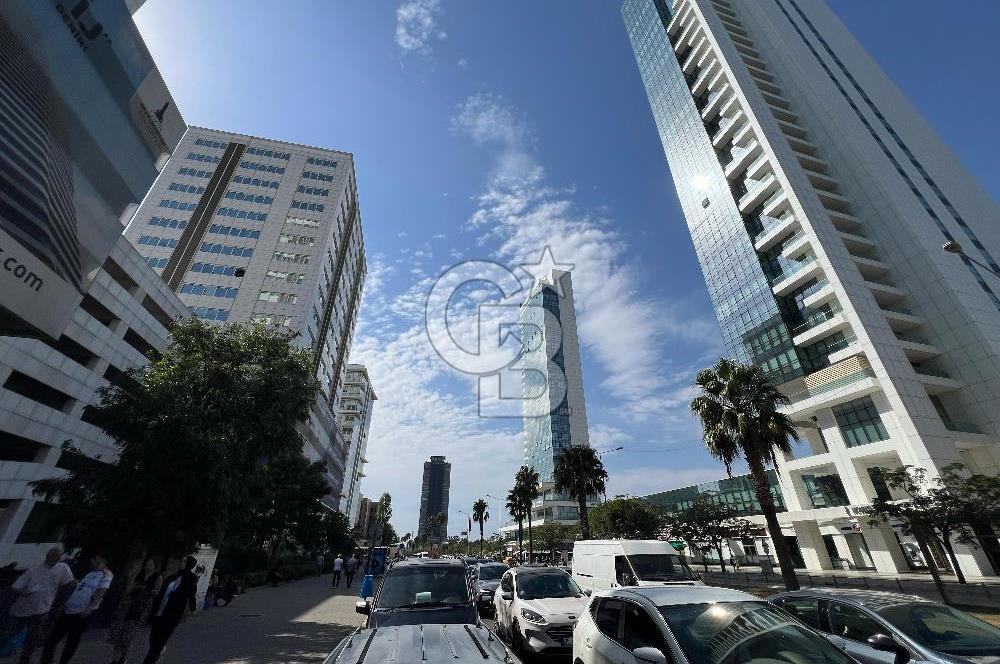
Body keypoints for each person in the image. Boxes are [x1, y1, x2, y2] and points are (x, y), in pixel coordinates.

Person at [1, 547, 74, 664]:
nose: (56, 558)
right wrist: (24, 592)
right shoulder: (34, 569)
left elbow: (69, 583)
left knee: (32, 640)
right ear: (48, 556)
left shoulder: (63, 568)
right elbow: (16, 587)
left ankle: (24, 661)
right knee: (7, 634)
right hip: (22, 610)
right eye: (53, 555)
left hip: (42, 610)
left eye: (58, 556)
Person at [40, 554, 113, 664]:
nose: (93, 561)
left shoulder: (106, 574)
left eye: (96, 559)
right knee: (53, 638)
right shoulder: (90, 572)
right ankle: (46, 660)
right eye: (93, 558)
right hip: (68, 609)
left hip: (81, 613)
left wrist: (91, 607)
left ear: (103, 560)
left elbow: (102, 591)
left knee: (71, 642)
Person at [140, 556, 198, 664]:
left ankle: (150, 660)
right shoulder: (170, 578)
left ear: (189, 564)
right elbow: (161, 593)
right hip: (159, 612)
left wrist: (193, 609)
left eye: (184, 561)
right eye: (181, 560)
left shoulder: (190, 579)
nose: (181, 562)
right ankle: (157, 653)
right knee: (153, 640)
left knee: (159, 642)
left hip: (172, 615)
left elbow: (192, 595)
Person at [108, 560, 162, 664]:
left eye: (150, 565)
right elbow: (128, 590)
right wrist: (135, 587)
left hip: (141, 608)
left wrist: (146, 590)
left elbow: (157, 592)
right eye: (147, 564)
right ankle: (115, 659)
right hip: (129, 605)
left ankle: (122, 657)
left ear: (155, 567)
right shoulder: (139, 575)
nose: (147, 566)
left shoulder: (157, 577)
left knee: (128, 634)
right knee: (119, 632)